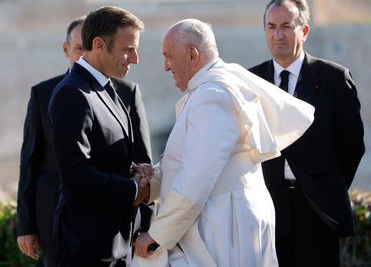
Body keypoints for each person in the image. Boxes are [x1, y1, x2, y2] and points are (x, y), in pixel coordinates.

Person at [133, 19, 315, 267]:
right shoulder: (213, 86)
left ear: (192, 54)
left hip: (223, 229)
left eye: (168, 56)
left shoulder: (212, 95)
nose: (166, 66)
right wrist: (150, 180)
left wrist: (157, 235)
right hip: (226, 221)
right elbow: (190, 161)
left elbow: (196, 177)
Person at [249, 1, 365, 266]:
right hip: (268, 211)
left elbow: (352, 145)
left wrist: (324, 184)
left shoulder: (334, 78)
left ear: (305, 30)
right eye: (271, 27)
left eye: (287, 26)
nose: (278, 35)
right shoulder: (251, 81)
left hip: (317, 211)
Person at [47, 6, 152, 267]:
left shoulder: (106, 87)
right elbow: (75, 174)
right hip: (88, 250)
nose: (135, 58)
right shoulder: (72, 94)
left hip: (116, 244)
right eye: (128, 49)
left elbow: (108, 157)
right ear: (98, 44)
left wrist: (135, 171)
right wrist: (133, 189)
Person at [16, 16, 85, 267]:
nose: (85, 56)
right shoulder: (42, 93)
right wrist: (25, 225)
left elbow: (140, 159)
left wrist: (144, 224)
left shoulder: (125, 92)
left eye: (90, 47)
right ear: (66, 49)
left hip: (108, 221)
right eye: (79, 49)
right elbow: (29, 162)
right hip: (53, 219)